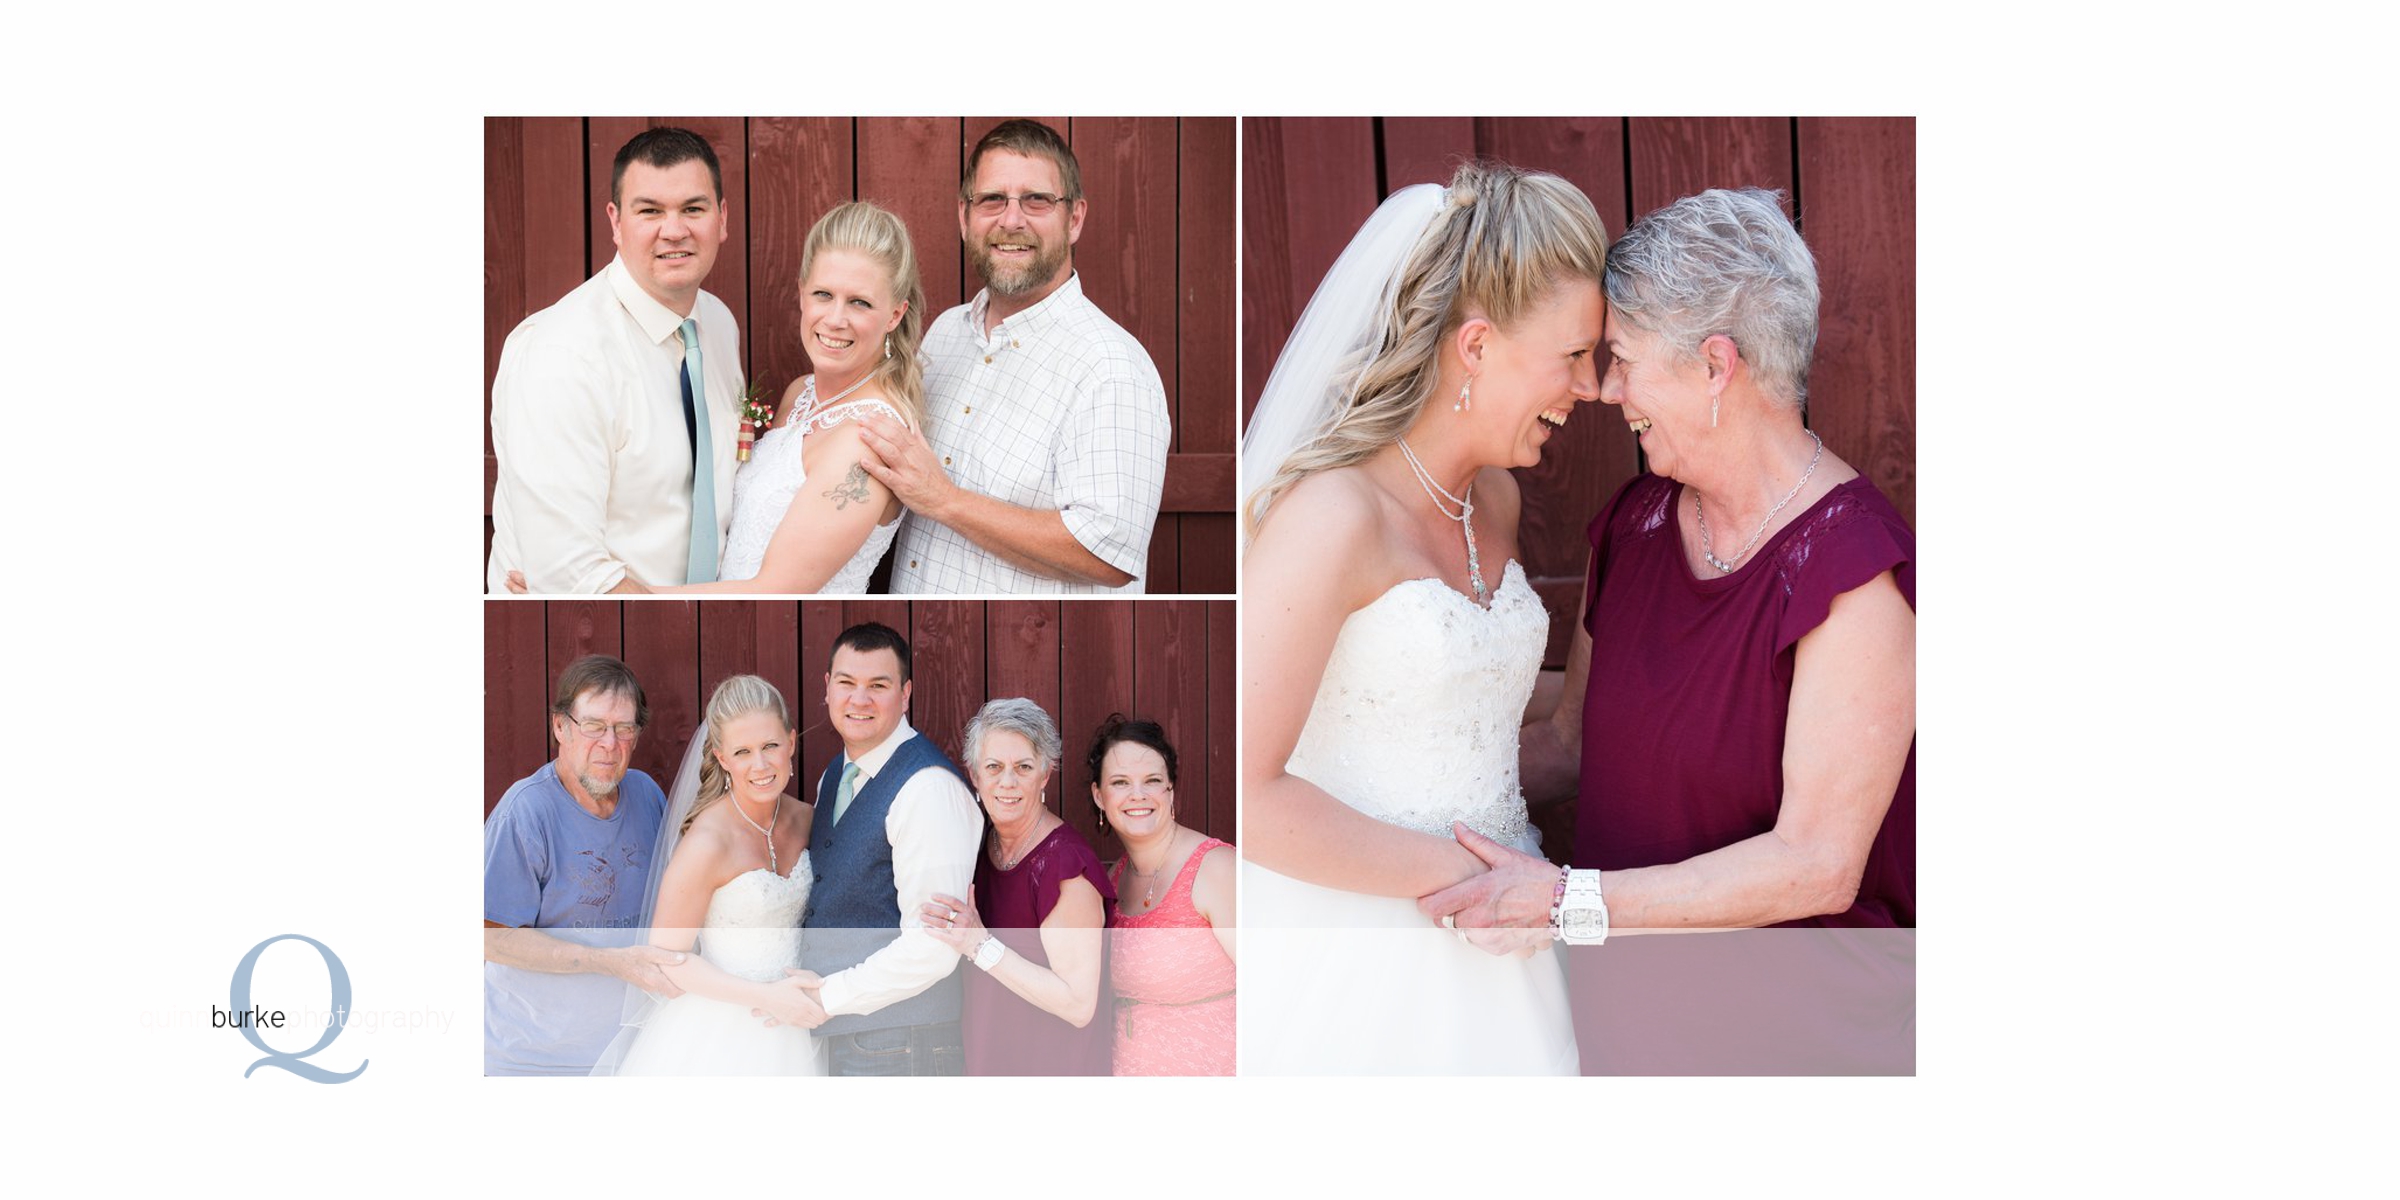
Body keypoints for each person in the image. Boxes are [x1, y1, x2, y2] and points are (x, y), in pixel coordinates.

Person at [1420, 188, 1916, 1074]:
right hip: (1626, 1031)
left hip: (1795, 1047)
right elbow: (1574, 745)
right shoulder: (1636, 526)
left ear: (1715, 365)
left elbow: (1818, 865)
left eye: (1622, 360)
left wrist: (1568, 902)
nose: (1606, 392)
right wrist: (1383, 793)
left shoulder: (1856, 578)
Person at [1238, 162, 1609, 1074]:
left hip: (1501, 942)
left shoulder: (1495, 500)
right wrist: (1471, 880)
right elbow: (1247, 796)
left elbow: (1462, 695)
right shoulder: (1333, 518)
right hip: (1363, 956)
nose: (1590, 387)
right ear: (1475, 347)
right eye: (1570, 355)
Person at [505, 202, 926, 597]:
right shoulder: (801, 393)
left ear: (894, 314)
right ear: (801, 292)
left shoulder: (868, 440)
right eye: (823, 295)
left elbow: (774, 589)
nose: (835, 319)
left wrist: (585, 590)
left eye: (860, 303)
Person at [858, 119, 1170, 595]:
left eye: (1037, 200)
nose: (1011, 220)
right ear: (965, 217)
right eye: (992, 200)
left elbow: (1109, 553)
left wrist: (945, 500)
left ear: (1075, 218)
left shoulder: (1111, 367)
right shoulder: (945, 334)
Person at [487, 127, 740, 594]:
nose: (674, 229)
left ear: (722, 218)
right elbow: (572, 573)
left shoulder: (719, 326)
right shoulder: (562, 355)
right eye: (649, 211)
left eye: (693, 208)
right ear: (616, 222)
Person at [761, 623, 981, 1075]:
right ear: (826, 688)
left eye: (878, 686)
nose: (859, 700)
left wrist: (828, 997)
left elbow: (935, 946)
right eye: (846, 683)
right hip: (848, 1036)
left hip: (904, 1044)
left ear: (905, 694)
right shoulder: (834, 777)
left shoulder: (928, 789)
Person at [598, 676, 823, 1075]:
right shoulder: (707, 842)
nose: (761, 765)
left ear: (791, 742)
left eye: (770, 746)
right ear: (722, 759)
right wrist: (767, 997)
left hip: (798, 1026)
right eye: (743, 751)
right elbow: (666, 959)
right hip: (720, 1032)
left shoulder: (808, 818)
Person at [482, 656, 685, 1075]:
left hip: (629, 1053)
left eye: (624, 728)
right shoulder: (525, 813)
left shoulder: (647, 795)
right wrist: (608, 961)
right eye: (593, 726)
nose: (610, 744)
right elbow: (490, 940)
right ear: (561, 727)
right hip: (531, 1060)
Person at [921, 699, 1112, 1075]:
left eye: (1023, 767)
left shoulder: (1065, 867)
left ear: (1044, 774)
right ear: (974, 775)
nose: (1007, 783)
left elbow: (1078, 1004)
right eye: (994, 767)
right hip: (990, 1061)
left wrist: (978, 944)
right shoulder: (978, 846)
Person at [1088, 715, 1234, 1076]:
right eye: (1120, 782)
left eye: (1152, 781)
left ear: (1171, 791)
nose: (1138, 795)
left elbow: (1276, 987)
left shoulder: (1215, 869)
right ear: (1099, 796)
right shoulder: (1113, 880)